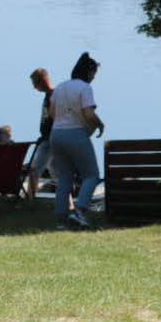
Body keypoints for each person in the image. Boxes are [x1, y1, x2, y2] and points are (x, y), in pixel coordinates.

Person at [50, 52, 106, 231]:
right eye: (93, 74)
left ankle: (61, 220)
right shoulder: (85, 88)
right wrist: (100, 124)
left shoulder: (60, 87)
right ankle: (80, 211)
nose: (93, 78)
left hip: (56, 135)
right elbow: (89, 114)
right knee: (91, 175)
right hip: (75, 134)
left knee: (64, 177)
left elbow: (51, 114)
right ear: (88, 72)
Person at [26, 68, 55, 197]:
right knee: (59, 175)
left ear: (42, 80)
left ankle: (30, 199)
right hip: (49, 139)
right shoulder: (48, 96)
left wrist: (48, 135)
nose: (34, 88)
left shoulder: (54, 96)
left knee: (34, 171)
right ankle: (69, 203)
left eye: (35, 84)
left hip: (50, 140)